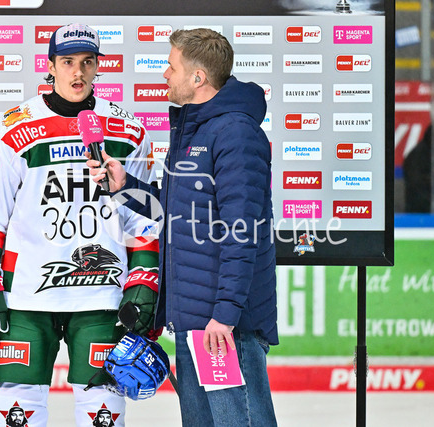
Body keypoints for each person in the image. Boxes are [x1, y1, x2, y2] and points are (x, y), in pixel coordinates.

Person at [0, 23, 159, 427]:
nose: (78, 72)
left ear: (98, 66)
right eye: (67, 62)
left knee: (103, 406)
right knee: (19, 407)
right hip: (28, 294)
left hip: (103, 293)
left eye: (88, 62)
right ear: (50, 66)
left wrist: (144, 275)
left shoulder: (128, 130)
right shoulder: (12, 128)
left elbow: (142, 215)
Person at [87, 28, 278, 426]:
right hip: (196, 322)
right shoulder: (195, 132)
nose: (165, 75)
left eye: (171, 67)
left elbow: (241, 233)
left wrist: (225, 315)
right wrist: (125, 186)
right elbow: (175, 212)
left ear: (198, 77)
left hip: (224, 328)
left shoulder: (235, 134)